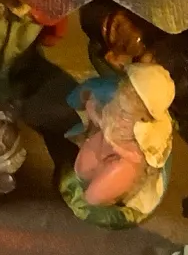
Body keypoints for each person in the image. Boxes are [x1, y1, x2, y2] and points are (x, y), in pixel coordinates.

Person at [64, 62, 175, 219]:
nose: (127, 94)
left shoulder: (149, 131)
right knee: (82, 170)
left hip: (124, 160)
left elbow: (140, 157)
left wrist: (118, 148)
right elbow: (102, 115)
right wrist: (95, 112)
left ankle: (103, 198)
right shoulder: (118, 98)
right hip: (106, 140)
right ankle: (89, 180)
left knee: (95, 194)